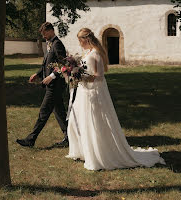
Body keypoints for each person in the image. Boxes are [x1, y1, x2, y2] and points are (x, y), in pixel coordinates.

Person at [66, 28, 166, 170]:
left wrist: (81, 77)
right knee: (80, 121)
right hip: (83, 91)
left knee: (94, 122)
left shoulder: (96, 54)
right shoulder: (87, 53)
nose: (79, 43)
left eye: (80, 40)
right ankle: (84, 151)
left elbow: (99, 76)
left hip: (93, 93)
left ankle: (99, 155)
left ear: (86, 39)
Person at [16, 22, 68, 148]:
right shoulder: (50, 44)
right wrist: (38, 74)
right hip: (52, 85)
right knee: (59, 112)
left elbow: (63, 64)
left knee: (43, 113)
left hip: (55, 85)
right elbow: (46, 64)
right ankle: (70, 137)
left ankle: (31, 139)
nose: (44, 37)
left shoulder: (57, 44)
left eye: (45, 34)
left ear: (50, 31)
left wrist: (51, 76)